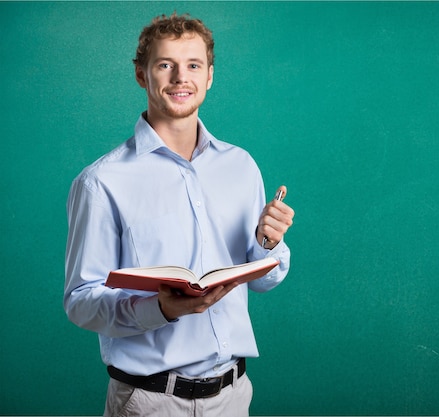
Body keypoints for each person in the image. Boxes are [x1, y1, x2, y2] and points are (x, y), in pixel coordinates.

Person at [64, 12, 294, 417]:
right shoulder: (101, 182)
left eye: (193, 65)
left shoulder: (241, 166)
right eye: (164, 65)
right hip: (149, 402)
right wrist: (162, 309)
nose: (179, 78)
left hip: (233, 396)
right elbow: (81, 302)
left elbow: (266, 280)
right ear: (141, 75)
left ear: (209, 77)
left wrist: (267, 245)